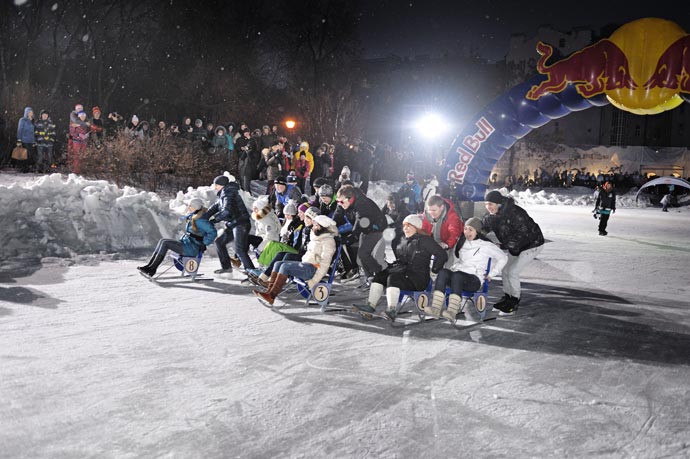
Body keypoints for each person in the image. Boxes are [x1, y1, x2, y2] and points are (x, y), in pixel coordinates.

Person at [353, 214, 447, 320]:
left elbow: (442, 255)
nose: (405, 228)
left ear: (416, 227)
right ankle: (370, 306)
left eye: (409, 226)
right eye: (404, 226)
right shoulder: (402, 239)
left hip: (417, 278)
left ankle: (391, 310)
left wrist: (434, 271)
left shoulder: (425, 240)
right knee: (379, 276)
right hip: (402, 271)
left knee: (393, 278)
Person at [424, 217, 507, 321]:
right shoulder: (462, 242)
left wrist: (492, 274)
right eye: (465, 229)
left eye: (470, 229)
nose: (467, 232)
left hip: (474, 280)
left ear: (477, 231)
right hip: (458, 276)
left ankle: (452, 311)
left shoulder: (486, 245)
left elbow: (503, 258)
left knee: (457, 275)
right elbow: (457, 259)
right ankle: (435, 308)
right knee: (443, 272)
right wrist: (455, 267)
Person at [253, 214, 337, 306]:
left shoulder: (328, 242)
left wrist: (314, 281)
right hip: (306, 264)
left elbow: (325, 264)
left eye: (316, 225)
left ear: (323, 228)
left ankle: (271, 296)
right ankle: (269, 291)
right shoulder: (317, 237)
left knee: (285, 266)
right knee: (278, 263)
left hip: (313, 269)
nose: (313, 227)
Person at [482, 190, 544, 315]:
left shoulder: (515, 213)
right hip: (515, 247)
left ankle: (515, 300)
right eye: (486, 204)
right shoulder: (491, 216)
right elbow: (483, 228)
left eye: (491, 204)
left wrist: (502, 245)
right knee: (505, 270)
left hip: (532, 244)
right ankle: (508, 297)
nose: (489, 207)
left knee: (513, 271)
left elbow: (523, 235)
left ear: (499, 204)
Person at [137, 199, 217, 278]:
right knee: (162, 240)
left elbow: (213, 232)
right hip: (187, 244)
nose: (188, 207)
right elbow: (188, 218)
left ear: (196, 207)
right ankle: (149, 266)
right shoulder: (194, 216)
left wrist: (204, 243)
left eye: (190, 206)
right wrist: (182, 219)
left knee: (165, 243)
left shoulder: (200, 220)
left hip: (192, 248)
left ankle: (152, 269)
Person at [203, 174, 256, 274]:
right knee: (219, 242)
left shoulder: (228, 193)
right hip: (233, 224)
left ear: (222, 185)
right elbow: (215, 207)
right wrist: (204, 217)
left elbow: (226, 211)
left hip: (241, 224)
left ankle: (252, 272)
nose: (215, 187)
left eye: (216, 185)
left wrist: (214, 220)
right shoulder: (223, 194)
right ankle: (226, 267)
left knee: (239, 249)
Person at [335, 185, 387, 282]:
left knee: (364, 253)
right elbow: (337, 216)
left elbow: (360, 221)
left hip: (376, 228)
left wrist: (353, 236)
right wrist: (330, 226)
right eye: (338, 201)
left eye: (341, 202)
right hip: (365, 229)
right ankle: (370, 278)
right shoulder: (343, 204)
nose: (340, 204)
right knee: (360, 257)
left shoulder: (362, 203)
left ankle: (381, 274)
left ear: (350, 199)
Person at [421, 194, 464, 267]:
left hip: (452, 240)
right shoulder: (427, 214)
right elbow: (424, 229)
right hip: (436, 238)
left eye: (434, 210)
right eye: (429, 209)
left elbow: (454, 233)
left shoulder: (452, 216)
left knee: (448, 261)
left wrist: (447, 244)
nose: (431, 212)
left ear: (442, 207)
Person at [16, 106, 35, 172]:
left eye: (31, 112)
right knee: (24, 154)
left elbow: (33, 132)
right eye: (29, 112)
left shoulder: (33, 121)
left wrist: (34, 141)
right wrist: (19, 139)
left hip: (31, 141)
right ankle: (24, 168)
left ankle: (27, 167)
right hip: (24, 140)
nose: (30, 113)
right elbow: (19, 130)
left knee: (30, 155)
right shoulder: (22, 120)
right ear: (26, 113)